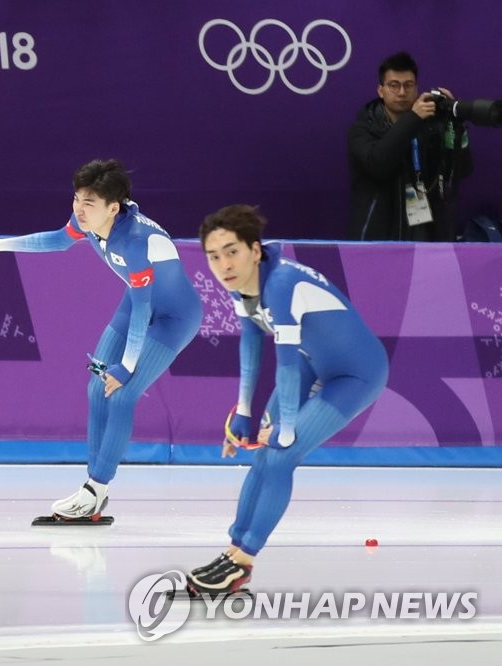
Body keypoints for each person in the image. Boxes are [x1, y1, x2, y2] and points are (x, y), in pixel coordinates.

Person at [0, 159, 202, 521]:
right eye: (77, 198)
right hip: (135, 304)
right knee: (96, 388)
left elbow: (144, 311)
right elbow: (56, 240)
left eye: (88, 203)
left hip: (173, 318)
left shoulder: (136, 242)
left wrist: (127, 366)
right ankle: (91, 490)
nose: (79, 209)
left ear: (113, 207)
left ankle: (97, 488)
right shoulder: (88, 219)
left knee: (121, 393)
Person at [189, 204, 388, 595]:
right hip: (311, 362)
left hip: (356, 375)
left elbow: (284, 363)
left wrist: (286, 429)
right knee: (263, 455)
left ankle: (244, 561)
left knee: (281, 454)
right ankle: (233, 551)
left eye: (232, 252)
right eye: (213, 256)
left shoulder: (281, 285)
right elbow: (250, 348)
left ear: (255, 250)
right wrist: (244, 412)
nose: (223, 265)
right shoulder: (241, 286)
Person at [348, 51, 472, 241]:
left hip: (425, 234)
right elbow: (378, 164)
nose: (402, 93)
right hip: (378, 237)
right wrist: (413, 118)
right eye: (394, 85)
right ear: (380, 90)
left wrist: (454, 125)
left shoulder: (429, 127)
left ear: (416, 89)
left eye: (408, 85)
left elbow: (461, 170)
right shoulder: (362, 129)